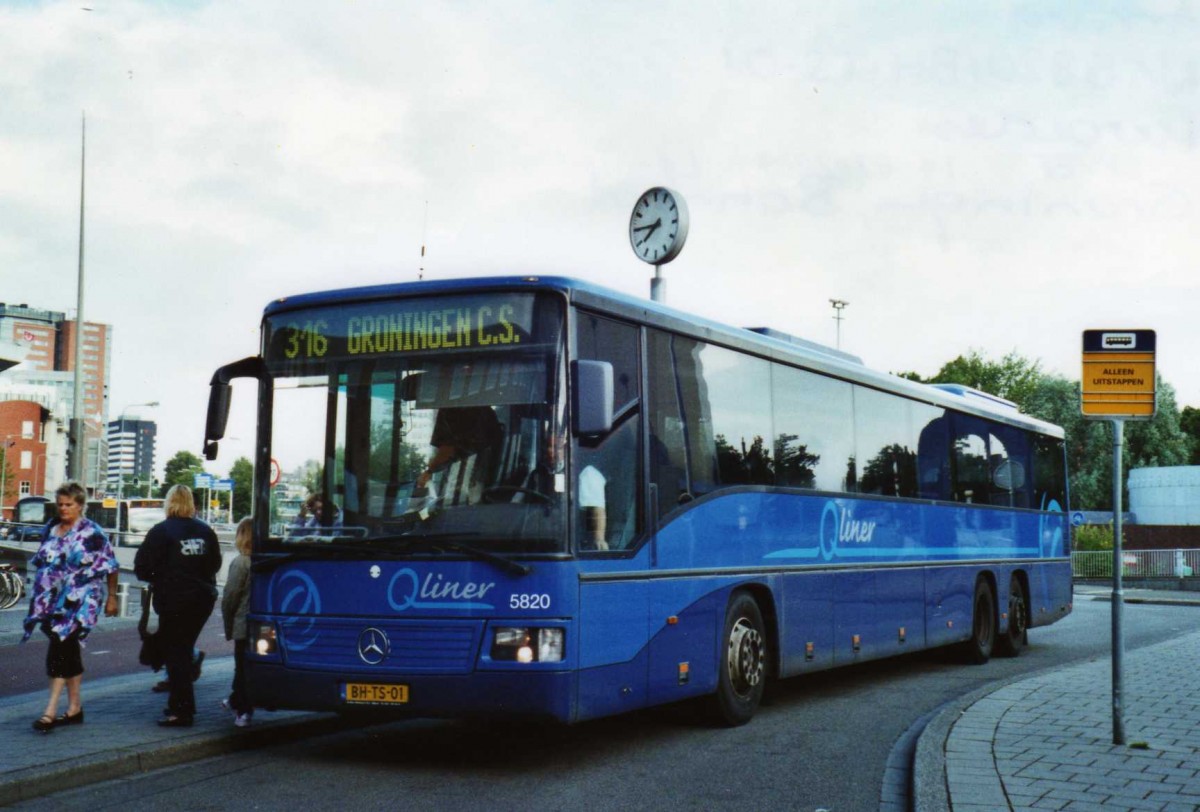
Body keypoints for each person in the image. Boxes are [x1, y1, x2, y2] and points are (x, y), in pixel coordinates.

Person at [22, 481, 119, 733]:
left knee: (60, 646)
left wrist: (112, 597)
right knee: (68, 649)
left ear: (80, 505)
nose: (63, 509)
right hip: (51, 601)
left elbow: (111, 565)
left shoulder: (92, 532)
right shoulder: (51, 528)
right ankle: (75, 708)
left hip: (80, 601)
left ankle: (50, 711)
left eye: (69, 504)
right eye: (60, 504)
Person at [134, 485, 222, 727]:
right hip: (202, 600)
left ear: (169, 503)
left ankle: (181, 711)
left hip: (174, 600)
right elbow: (215, 564)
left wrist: (161, 576)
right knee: (182, 649)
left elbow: (141, 567)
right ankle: (182, 703)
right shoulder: (205, 531)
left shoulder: (161, 531)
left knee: (176, 654)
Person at [416, 405, 503, 489]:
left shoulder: (451, 409)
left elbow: (447, 450)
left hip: (468, 473)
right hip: (489, 472)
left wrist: (429, 472)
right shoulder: (484, 408)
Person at [220, 517, 254, 727]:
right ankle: (235, 701)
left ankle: (243, 710)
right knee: (247, 667)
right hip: (260, 625)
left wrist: (229, 624)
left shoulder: (241, 562)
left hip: (243, 623)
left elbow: (230, 597)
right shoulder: (262, 560)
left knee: (241, 667)